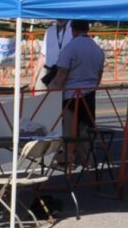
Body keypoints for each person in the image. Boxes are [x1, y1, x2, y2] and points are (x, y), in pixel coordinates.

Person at [37, 20, 106, 152]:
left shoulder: (70, 48)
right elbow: (99, 74)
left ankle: (68, 158)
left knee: (69, 130)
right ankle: (88, 159)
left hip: (71, 95)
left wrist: (51, 93)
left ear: (73, 30)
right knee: (85, 129)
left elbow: (61, 75)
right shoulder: (97, 50)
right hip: (90, 94)